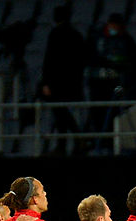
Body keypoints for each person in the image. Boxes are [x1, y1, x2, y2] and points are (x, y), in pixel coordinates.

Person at [86, 13, 136, 149]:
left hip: (113, 82)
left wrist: (123, 66)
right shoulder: (96, 37)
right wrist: (106, 63)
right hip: (96, 82)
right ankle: (98, 141)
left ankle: (109, 142)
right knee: (97, 113)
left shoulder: (125, 38)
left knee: (113, 113)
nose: (116, 29)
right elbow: (89, 56)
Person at [40, 4, 86, 154]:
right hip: (72, 82)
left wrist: (46, 82)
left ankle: (72, 142)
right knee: (61, 114)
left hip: (57, 83)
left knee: (61, 113)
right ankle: (67, 144)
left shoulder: (56, 34)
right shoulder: (76, 34)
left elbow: (50, 59)